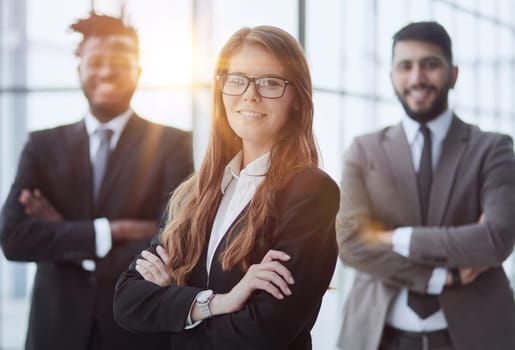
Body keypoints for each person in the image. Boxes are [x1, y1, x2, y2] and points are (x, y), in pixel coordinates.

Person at [113, 25, 339, 350]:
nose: (250, 94)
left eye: (270, 82)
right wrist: (218, 302)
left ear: (297, 101)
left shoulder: (312, 192)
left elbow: (261, 333)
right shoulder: (194, 194)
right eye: (237, 80)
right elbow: (127, 301)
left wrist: (173, 308)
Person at [0, 13, 194, 350]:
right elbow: (14, 238)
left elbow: (173, 244)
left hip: (137, 334)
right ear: (79, 70)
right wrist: (112, 232)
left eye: (119, 61)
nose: (106, 71)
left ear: (139, 71)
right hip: (54, 333)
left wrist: (69, 236)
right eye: (96, 61)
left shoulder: (172, 144)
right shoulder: (42, 145)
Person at [337, 21, 515, 350]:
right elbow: (349, 243)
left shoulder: (494, 148)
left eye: (430, 64)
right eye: (405, 66)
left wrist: (397, 238)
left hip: (476, 336)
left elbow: (497, 238)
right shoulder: (363, 150)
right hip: (378, 337)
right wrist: (443, 276)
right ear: (392, 77)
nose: (417, 77)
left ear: (454, 74)